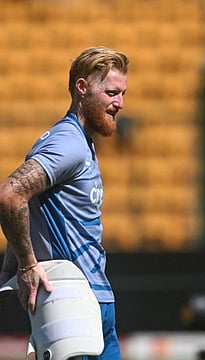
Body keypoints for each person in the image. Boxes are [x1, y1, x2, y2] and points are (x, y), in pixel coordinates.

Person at [0, 46, 129, 359]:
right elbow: (10, 194)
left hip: (96, 301)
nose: (120, 103)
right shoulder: (68, 142)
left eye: (123, 93)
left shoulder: (81, 141)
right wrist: (28, 266)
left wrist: (11, 268)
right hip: (72, 302)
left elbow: (30, 207)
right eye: (111, 92)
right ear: (81, 88)